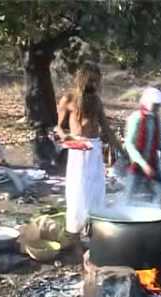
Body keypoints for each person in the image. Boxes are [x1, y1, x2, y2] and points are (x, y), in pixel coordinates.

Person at [56, 62, 124, 251]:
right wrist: (65, 137)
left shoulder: (96, 101)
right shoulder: (68, 99)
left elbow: (107, 129)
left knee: (96, 191)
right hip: (77, 150)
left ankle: (94, 234)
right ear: (82, 80)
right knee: (78, 192)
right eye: (91, 80)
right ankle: (75, 238)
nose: (94, 84)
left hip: (94, 151)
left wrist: (122, 151)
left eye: (97, 81)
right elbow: (59, 127)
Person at [124, 87, 161, 205]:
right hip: (136, 164)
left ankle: (154, 216)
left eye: (158, 105)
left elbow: (160, 141)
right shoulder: (136, 118)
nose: (157, 108)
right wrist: (143, 165)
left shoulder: (156, 119)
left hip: (152, 162)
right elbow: (129, 144)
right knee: (128, 196)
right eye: (155, 105)